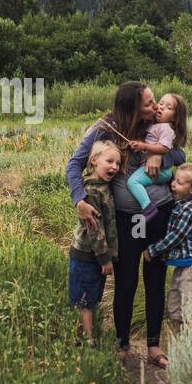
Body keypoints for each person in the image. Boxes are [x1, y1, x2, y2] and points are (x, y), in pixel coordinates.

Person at [65, 81, 185, 366]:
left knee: (155, 276)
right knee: (126, 280)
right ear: (131, 108)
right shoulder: (106, 127)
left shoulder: (156, 124)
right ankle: (122, 344)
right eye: (148, 103)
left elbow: (180, 153)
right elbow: (74, 164)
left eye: (155, 101)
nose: (155, 107)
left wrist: (160, 154)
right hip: (128, 218)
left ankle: (154, 346)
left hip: (160, 212)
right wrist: (80, 200)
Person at [142, 163, 192, 329]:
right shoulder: (179, 205)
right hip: (182, 268)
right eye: (174, 180)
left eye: (179, 183)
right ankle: (185, 345)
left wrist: (153, 250)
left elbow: (175, 237)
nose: (173, 184)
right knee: (176, 310)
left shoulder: (191, 210)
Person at [67, 140, 122, 344]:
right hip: (87, 256)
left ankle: (84, 335)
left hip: (95, 257)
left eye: (117, 163)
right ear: (93, 161)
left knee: (91, 296)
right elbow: (94, 230)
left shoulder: (104, 186)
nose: (114, 167)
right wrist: (105, 259)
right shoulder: (91, 191)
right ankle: (86, 340)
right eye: (109, 161)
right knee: (85, 301)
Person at [126, 93, 188, 223]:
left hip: (161, 170)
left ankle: (148, 208)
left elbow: (165, 148)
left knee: (133, 182)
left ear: (175, 118)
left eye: (168, 107)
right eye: (161, 103)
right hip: (155, 172)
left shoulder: (166, 128)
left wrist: (145, 147)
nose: (161, 107)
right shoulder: (153, 125)